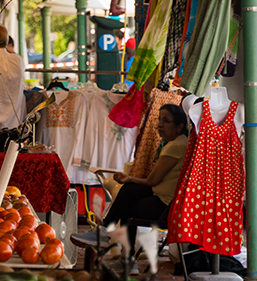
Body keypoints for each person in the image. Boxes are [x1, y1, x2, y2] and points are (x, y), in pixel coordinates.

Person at [75, 104, 189, 245]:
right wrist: (130, 180)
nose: (160, 124)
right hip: (171, 201)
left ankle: (115, 247)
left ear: (179, 126)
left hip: (166, 206)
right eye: (159, 119)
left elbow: (153, 180)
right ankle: (106, 236)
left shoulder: (174, 147)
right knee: (129, 190)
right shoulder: (182, 142)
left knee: (126, 206)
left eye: (166, 121)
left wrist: (130, 179)